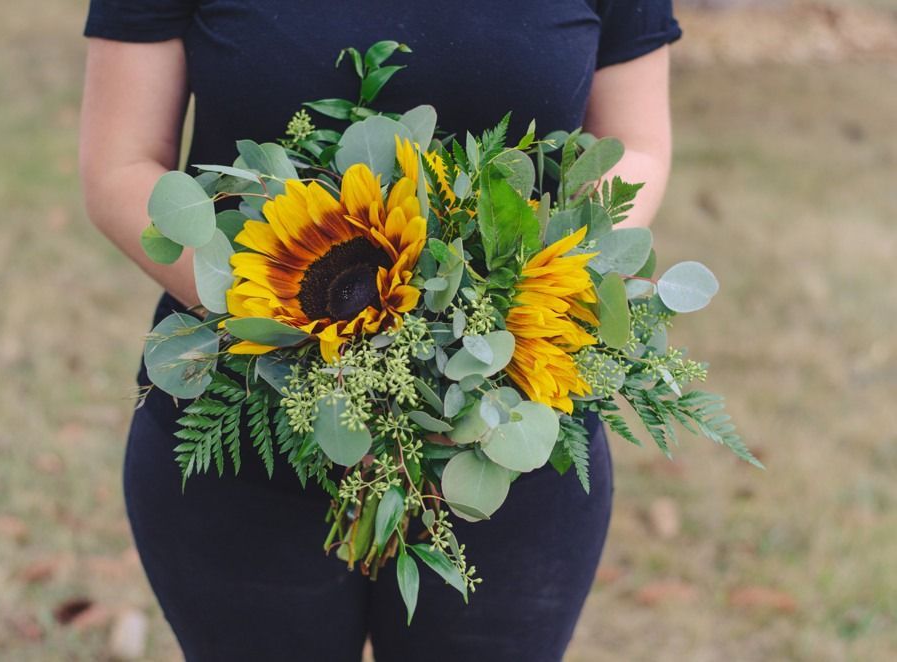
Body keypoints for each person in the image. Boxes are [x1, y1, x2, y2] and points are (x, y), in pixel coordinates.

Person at [78, 2, 680, 660]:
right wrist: (289, 316)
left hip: (504, 431)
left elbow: (635, 141)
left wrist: (504, 308)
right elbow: (120, 164)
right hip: (245, 440)